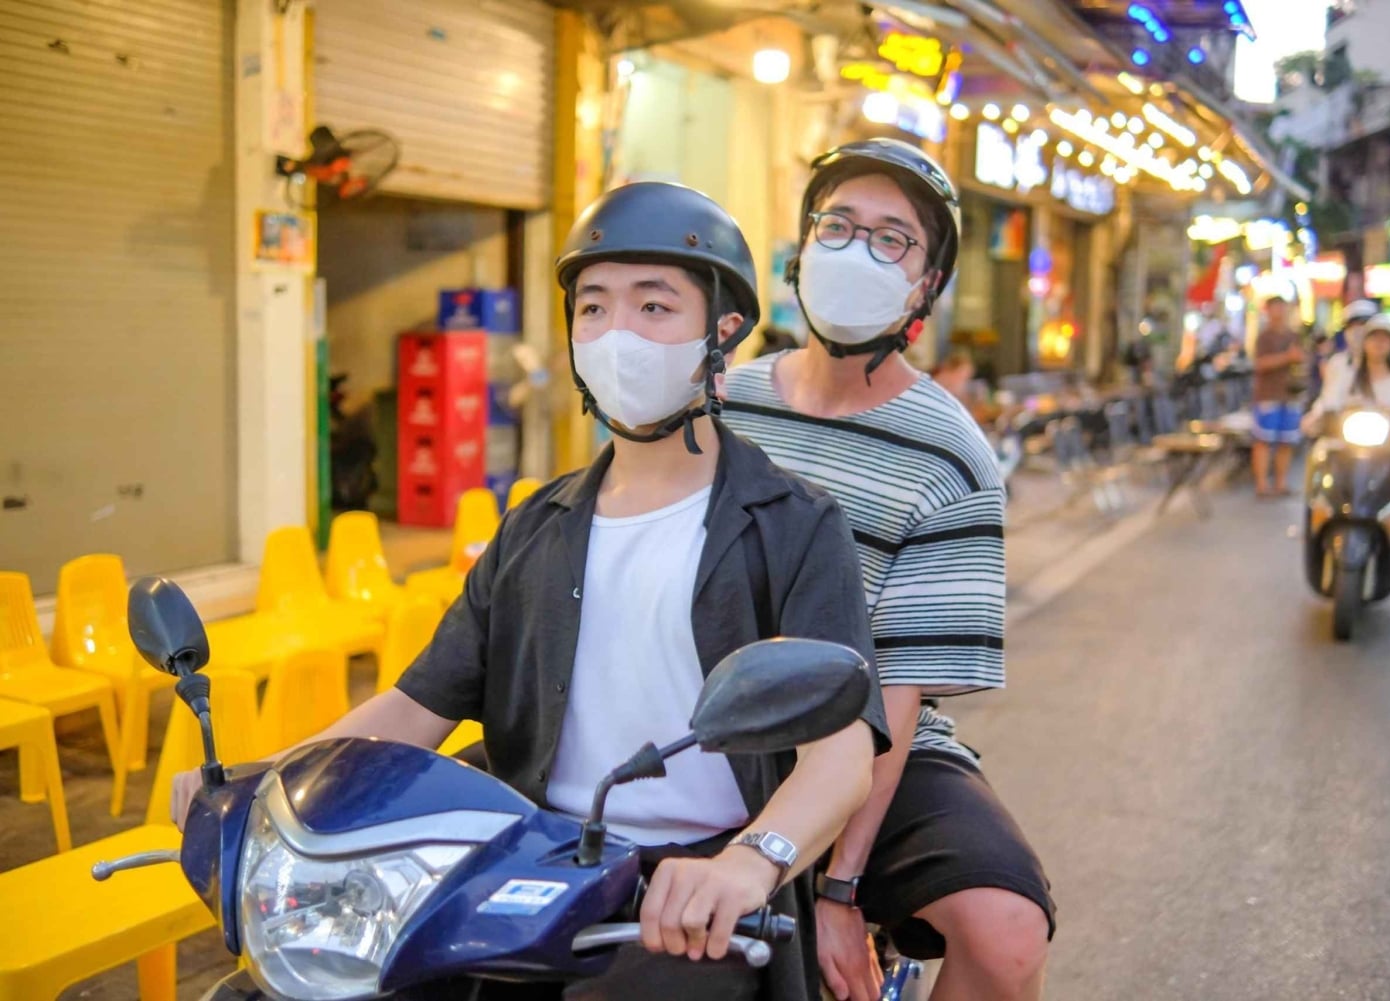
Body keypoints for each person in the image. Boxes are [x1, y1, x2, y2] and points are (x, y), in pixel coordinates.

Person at [172, 182, 890, 1001]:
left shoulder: (794, 525)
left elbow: (840, 759)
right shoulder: (533, 529)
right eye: (593, 308)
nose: (618, 332)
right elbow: (414, 709)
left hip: (689, 895)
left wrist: (748, 861)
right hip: (520, 874)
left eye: (654, 307)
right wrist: (272, 780)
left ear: (722, 331)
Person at [722, 138, 1054, 1001]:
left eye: (892, 238)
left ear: (925, 286)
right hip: (703, 723)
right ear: (802, 247)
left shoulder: (951, 454)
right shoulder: (722, 402)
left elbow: (900, 690)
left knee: (1008, 933)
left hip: (865, 742)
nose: (856, 249)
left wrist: (842, 884)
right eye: (839, 224)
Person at [1302, 313, 1390, 570]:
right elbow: (1329, 399)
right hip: (1347, 440)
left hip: (1389, 443)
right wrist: (1313, 417)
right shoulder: (1348, 369)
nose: (1379, 344)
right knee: (1317, 455)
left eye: (1385, 339)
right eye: (1374, 338)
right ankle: (1314, 512)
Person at [1250, 295, 1306, 497]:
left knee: (1286, 441)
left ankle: (1281, 483)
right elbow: (1259, 364)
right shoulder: (1264, 337)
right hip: (1268, 395)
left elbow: (1302, 360)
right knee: (1263, 440)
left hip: (1290, 396)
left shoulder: (1294, 336)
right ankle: (1262, 484)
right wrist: (1286, 358)